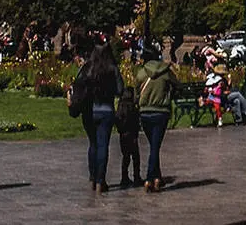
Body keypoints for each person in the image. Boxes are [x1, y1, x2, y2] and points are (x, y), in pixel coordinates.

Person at [68, 43, 123, 193]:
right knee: (103, 145)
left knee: (93, 144)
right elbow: (120, 89)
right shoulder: (112, 69)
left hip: (89, 111)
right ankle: (100, 180)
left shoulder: (87, 69)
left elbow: (77, 86)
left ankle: (92, 178)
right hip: (106, 110)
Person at [134, 47, 178, 192]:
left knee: (154, 146)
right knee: (155, 146)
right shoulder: (166, 72)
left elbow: (136, 94)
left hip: (145, 113)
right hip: (161, 112)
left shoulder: (141, 73)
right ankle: (150, 178)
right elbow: (178, 85)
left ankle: (157, 177)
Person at [115, 88, 141, 189]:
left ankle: (124, 177)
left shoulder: (120, 106)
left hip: (123, 135)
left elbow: (117, 119)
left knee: (125, 157)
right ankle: (136, 176)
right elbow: (136, 121)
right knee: (135, 157)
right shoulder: (133, 107)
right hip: (132, 135)